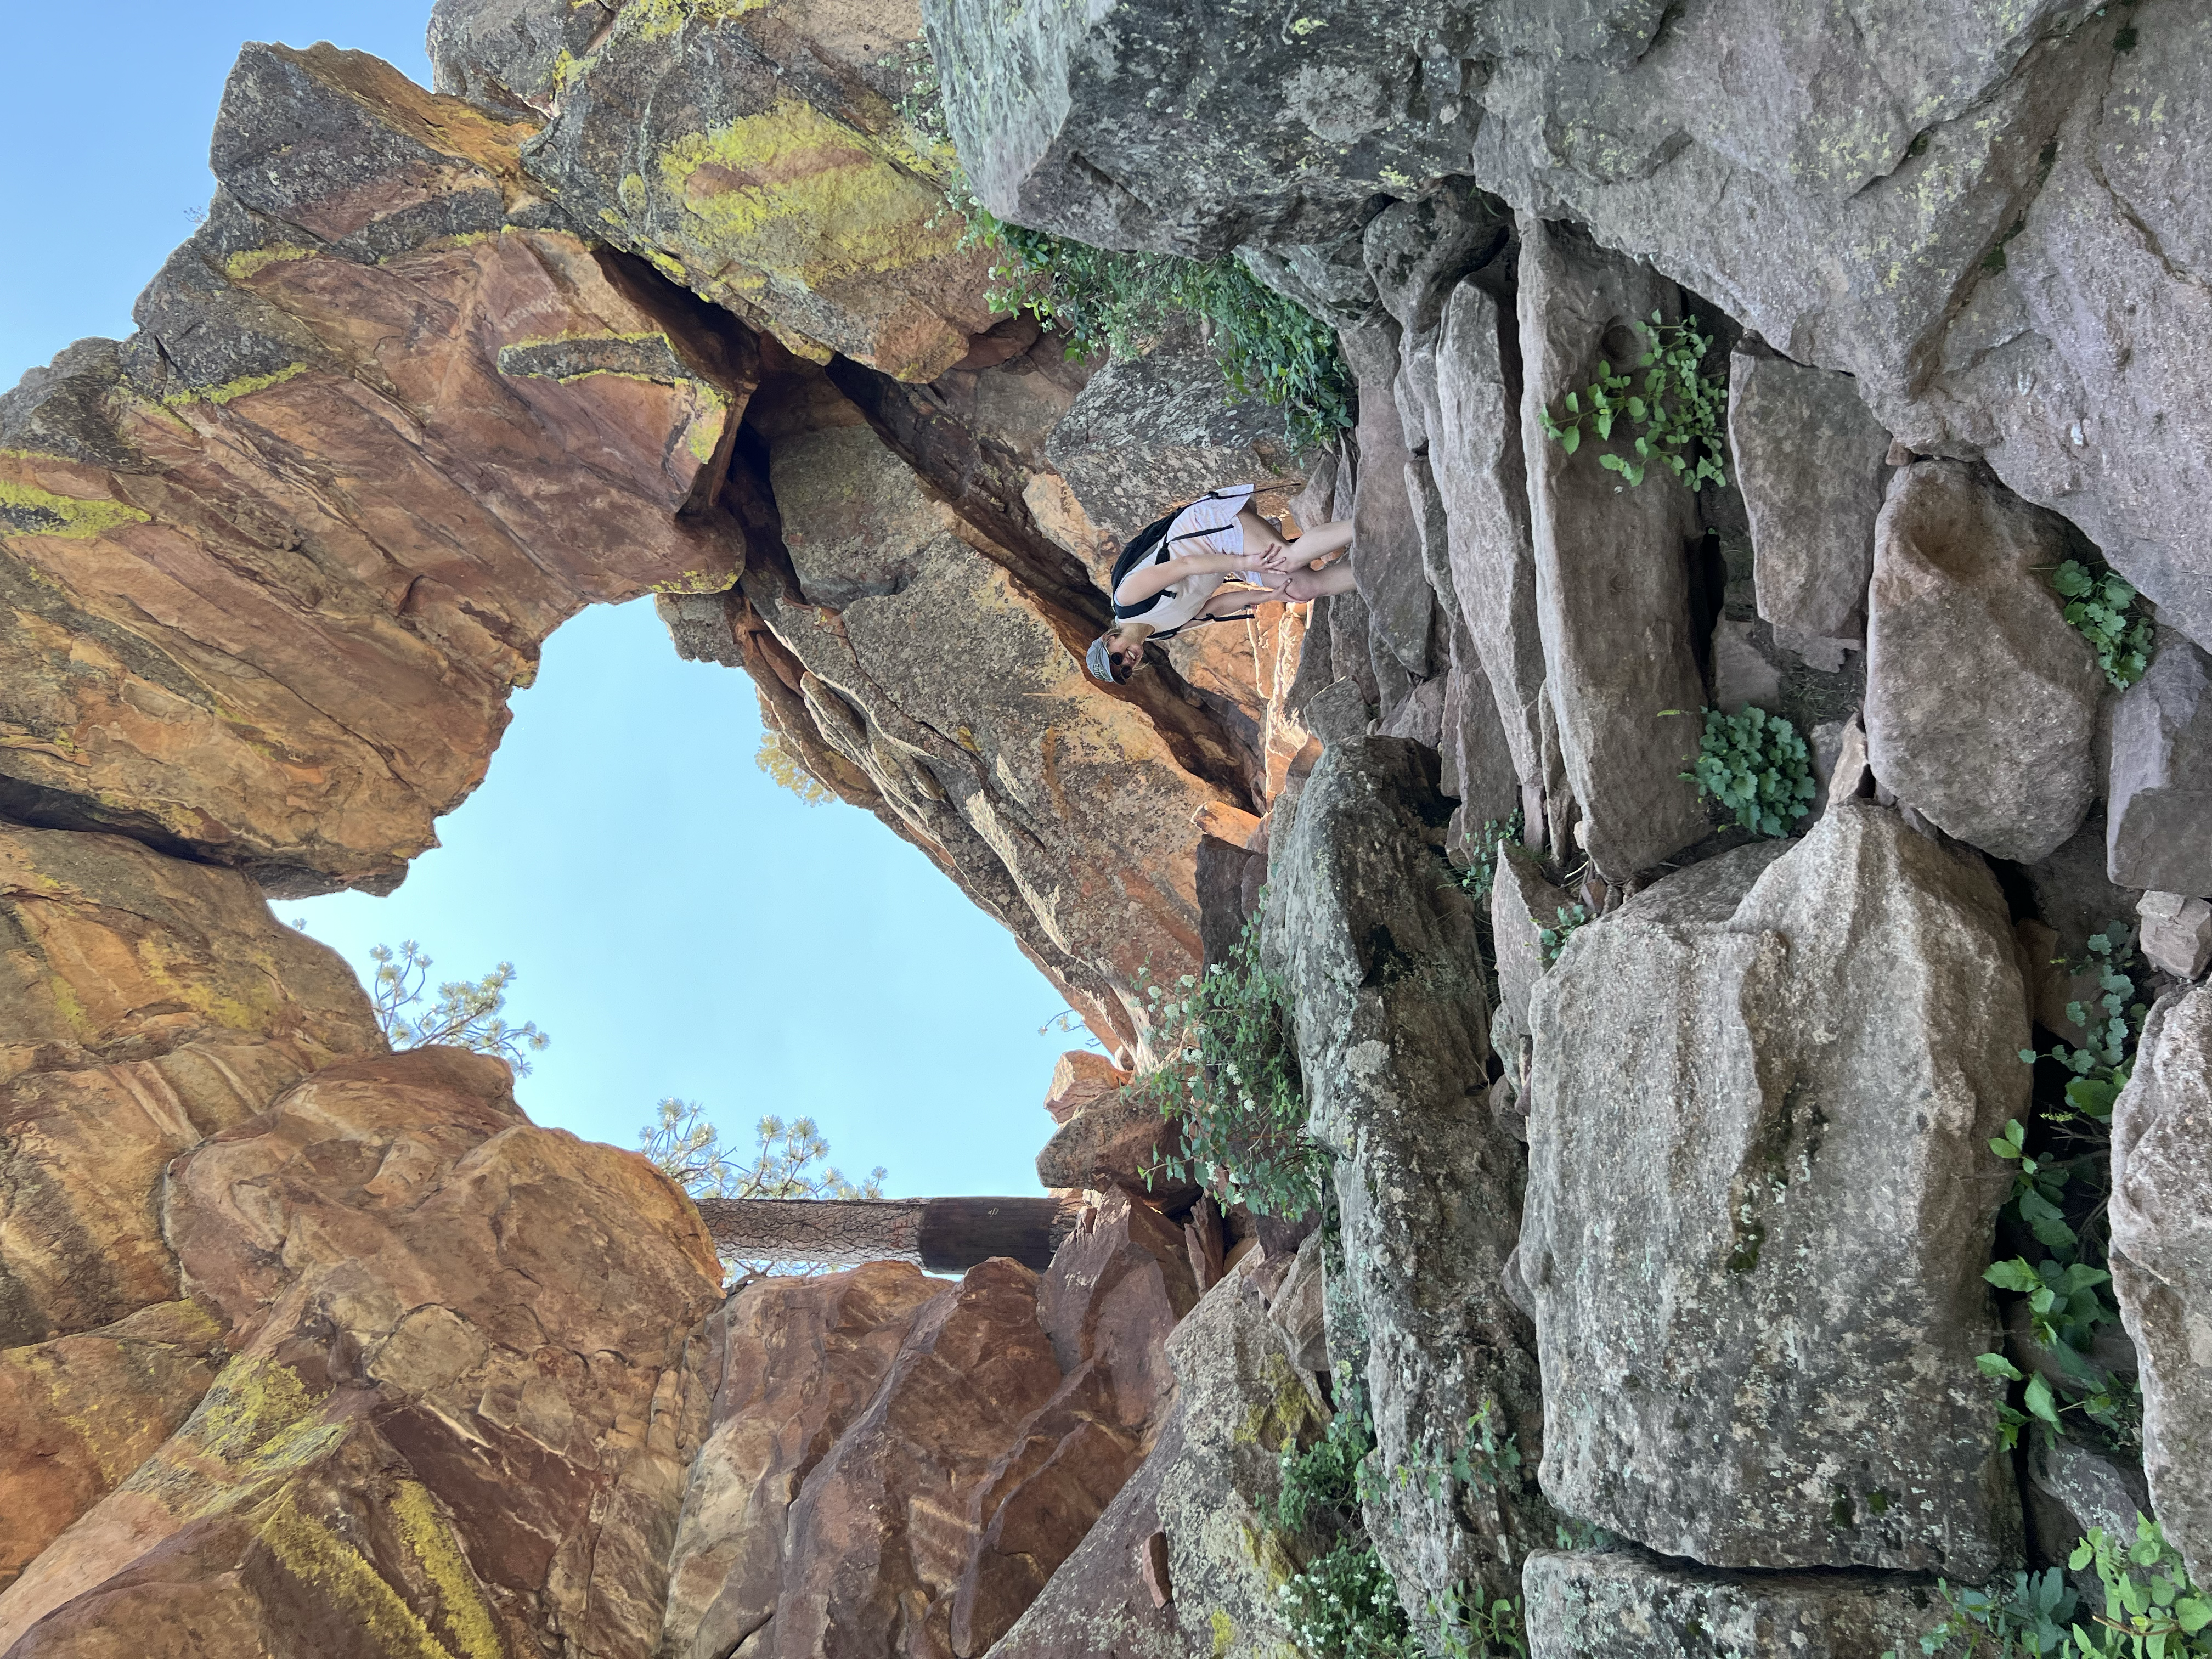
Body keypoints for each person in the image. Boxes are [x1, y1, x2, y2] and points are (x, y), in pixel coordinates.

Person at [1083, 483, 1357, 684]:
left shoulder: (1128, 600)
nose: (1128, 662)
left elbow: (1185, 564)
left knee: (1285, 560)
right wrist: (1269, 596)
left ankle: (1372, 521)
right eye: (1126, 671)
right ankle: (1373, 569)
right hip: (1228, 558)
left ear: (1110, 639)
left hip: (1206, 531)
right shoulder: (1162, 634)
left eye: (1116, 658)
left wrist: (1247, 564)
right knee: (1302, 589)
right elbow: (1217, 606)